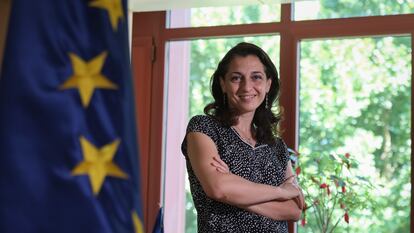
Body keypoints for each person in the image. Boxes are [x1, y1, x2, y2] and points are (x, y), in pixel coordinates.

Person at [181, 42, 304, 233]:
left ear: (268, 84)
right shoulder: (203, 128)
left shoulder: (276, 146)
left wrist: (235, 191)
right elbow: (218, 188)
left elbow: (294, 209)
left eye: (256, 77)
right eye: (236, 78)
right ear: (223, 84)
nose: (247, 87)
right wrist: (280, 192)